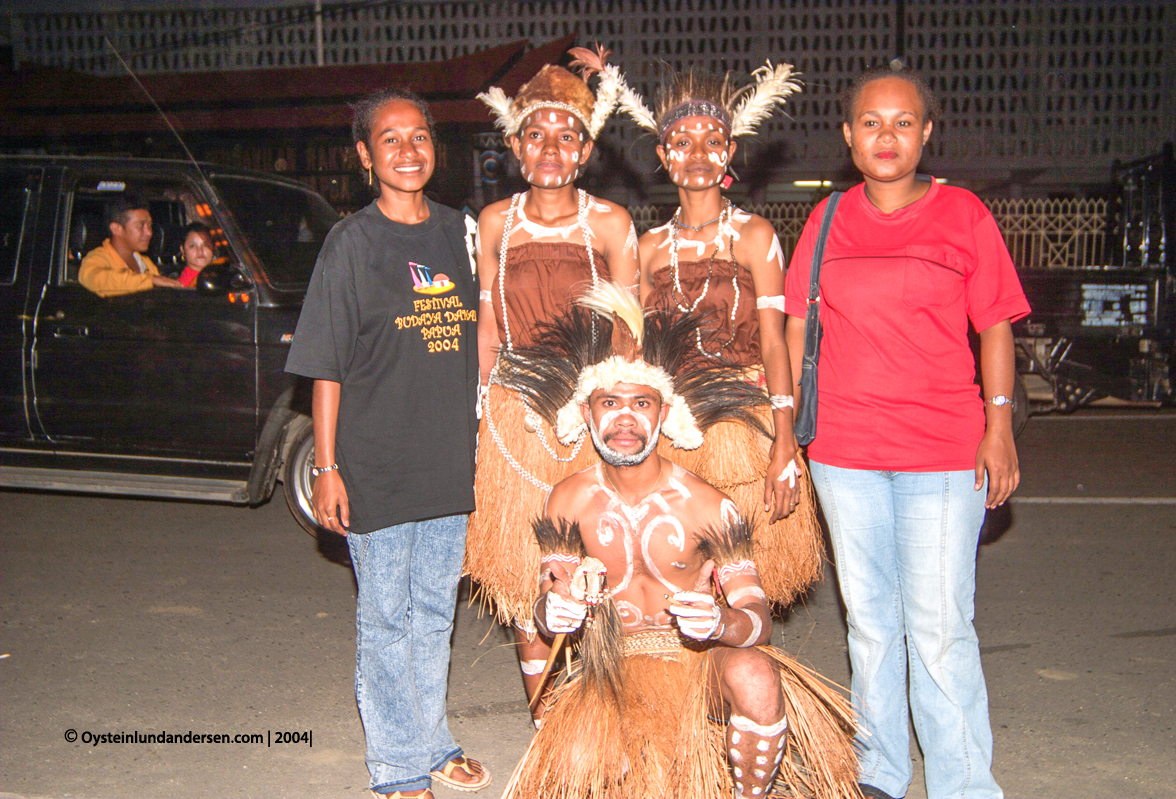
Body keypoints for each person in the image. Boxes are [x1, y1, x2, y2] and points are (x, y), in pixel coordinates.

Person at [494, 283, 860, 799]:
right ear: (588, 414)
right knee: (526, 626)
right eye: (609, 403)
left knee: (756, 674)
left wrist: (722, 621)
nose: (625, 418)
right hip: (610, 669)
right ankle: (558, 732)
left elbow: (758, 619)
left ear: (664, 415)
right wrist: (549, 611)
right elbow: (544, 600)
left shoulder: (709, 505)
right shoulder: (567, 500)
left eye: (641, 403)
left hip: (696, 667)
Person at [783, 66, 1030, 799]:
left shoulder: (963, 215)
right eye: (869, 122)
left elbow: (993, 326)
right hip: (845, 453)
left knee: (942, 626)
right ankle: (880, 774)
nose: (885, 136)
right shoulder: (826, 219)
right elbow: (798, 331)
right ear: (847, 135)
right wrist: (783, 436)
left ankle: (964, 784)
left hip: (943, 451)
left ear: (926, 132)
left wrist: (1000, 424)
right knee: (869, 626)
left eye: (901, 122)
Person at [284, 88, 489, 799]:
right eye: (390, 139)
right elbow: (327, 367)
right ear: (366, 156)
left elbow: (485, 343)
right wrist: (329, 466)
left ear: (436, 146)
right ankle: (398, 763)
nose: (408, 150)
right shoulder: (352, 243)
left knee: (434, 612)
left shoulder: (462, 233)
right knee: (386, 617)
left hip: (445, 461)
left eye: (420, 136)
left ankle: (431, 739)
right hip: (374, 462)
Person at [466, 45, 640, 722]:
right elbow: (487, 323)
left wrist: (613, 413)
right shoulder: (494, 224)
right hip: (514, 415)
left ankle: (598, 704)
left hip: (587, 413)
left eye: (566, 135)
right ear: (515, 145)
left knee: (592, 562)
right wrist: (483, 411)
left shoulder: (610, 224)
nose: (549, 147)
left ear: (586, 149)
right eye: (535, 134)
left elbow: (628, 333)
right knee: (523, 567)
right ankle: (545, 712)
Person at [617, 64, 822, 606]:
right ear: (663, 157)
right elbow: (636, 353)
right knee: (674, 587)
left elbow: (776, 343)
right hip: (674, 432)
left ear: (729, 152)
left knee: (740, 587)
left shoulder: (754, 235)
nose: (698, 154)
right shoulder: (650, 246)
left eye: (712, 142)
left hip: (742, 428)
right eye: (682, 143)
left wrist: (784, 442)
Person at [79, 196, 183, 296]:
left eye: (149, 225)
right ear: (116, 229)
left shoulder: (146, 263)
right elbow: (97, 280)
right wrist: (149, 280)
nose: (149, 233)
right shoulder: (96, 259)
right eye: (140, 226)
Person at [176, 222, 214, 288]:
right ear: (183, 250)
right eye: (192, 246)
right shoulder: (186, 284)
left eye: (205, 245)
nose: (200, 251)